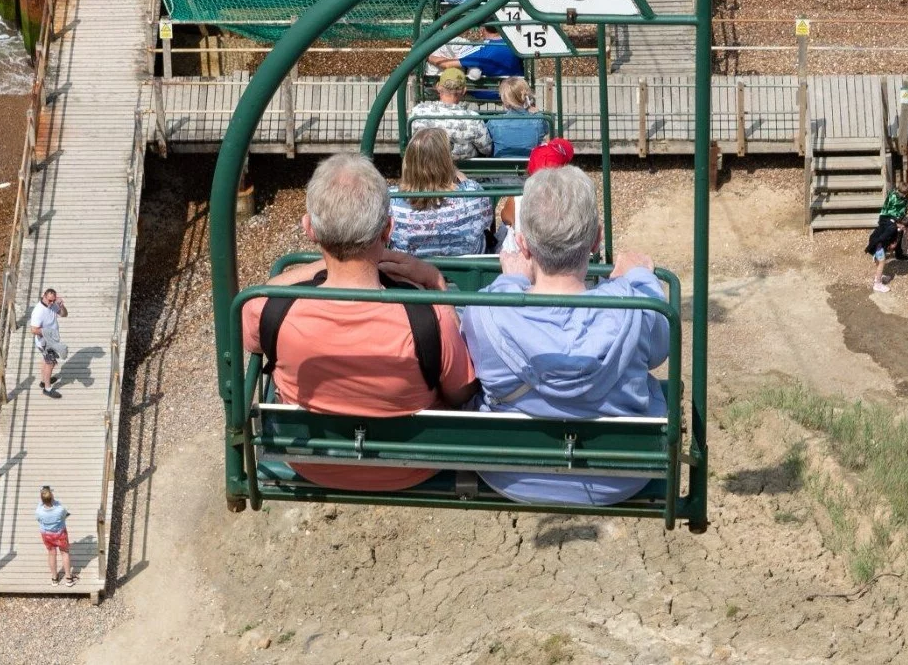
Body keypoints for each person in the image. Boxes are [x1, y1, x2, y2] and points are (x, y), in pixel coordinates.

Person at [241, 154, 475, 491]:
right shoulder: (429, 318)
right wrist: (434, 282)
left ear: (310, 230)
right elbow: (461, 392)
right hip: (413, 466)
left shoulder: (267, 309)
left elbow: (252, 300)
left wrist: (313, 271)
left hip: (312, 461)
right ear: (387, 230)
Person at [459, 165, 670, 506]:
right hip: (620, 476)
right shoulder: (637, 307)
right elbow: (660, 350)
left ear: (524, 245)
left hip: (510, 473)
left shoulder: (485, 312)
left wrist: (509, 282)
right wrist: (639, 280)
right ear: (597, 240)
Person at [390, 130, 494, 257]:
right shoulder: (473, 194)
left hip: (407, 274)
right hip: (468, 272)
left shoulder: (391, 201)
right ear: (447, 160)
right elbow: (488, 220)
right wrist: (458, 176)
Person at [407, 68, 493, 160]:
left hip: (425, 167)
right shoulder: (473, 119)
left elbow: (411, 139)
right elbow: (487, 149)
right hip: (462, 170)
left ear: (438, 87)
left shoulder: (418, 112)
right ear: (464, 90)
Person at [488, 76, 549, 157]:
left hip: (501, 167)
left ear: (505, 99)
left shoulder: (494, 122)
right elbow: (546, 129)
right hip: (529, 166)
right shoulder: (539, 119)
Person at [29, 287, 68, 399]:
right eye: (49, 300)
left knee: (47, 362)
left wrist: (61, 306)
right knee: (50, 364)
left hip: (52, 341)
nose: (51, 303)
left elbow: (64, 314)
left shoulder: (53, 305)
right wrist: (48, 334)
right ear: (44, 296)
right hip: (45, 342)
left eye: (53, 300)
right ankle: (47, 388)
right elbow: (33, 330)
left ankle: (43, 381)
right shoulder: (38, 311)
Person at [36, 485, 74, 585]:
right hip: (60, 533)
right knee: (65, 553)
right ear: (52, 496)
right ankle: (68, 578)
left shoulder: (39, 510)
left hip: (47, 535)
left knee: (51, 554)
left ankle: (54, 578)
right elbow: (65, 514)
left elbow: (39, 519)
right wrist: (55, 502)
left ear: (42, 499)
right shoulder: (59, 509)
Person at [866, 206, 906, 293]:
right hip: (878, 244)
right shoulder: (892, 229)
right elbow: (882, 238)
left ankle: (878, 276)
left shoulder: (891, 221)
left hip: (874, 239)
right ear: (901, 224)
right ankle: (878, 284)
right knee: (882, 261)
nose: (904, 229)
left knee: (879, 260)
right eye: (904, 227)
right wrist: (878, 249)